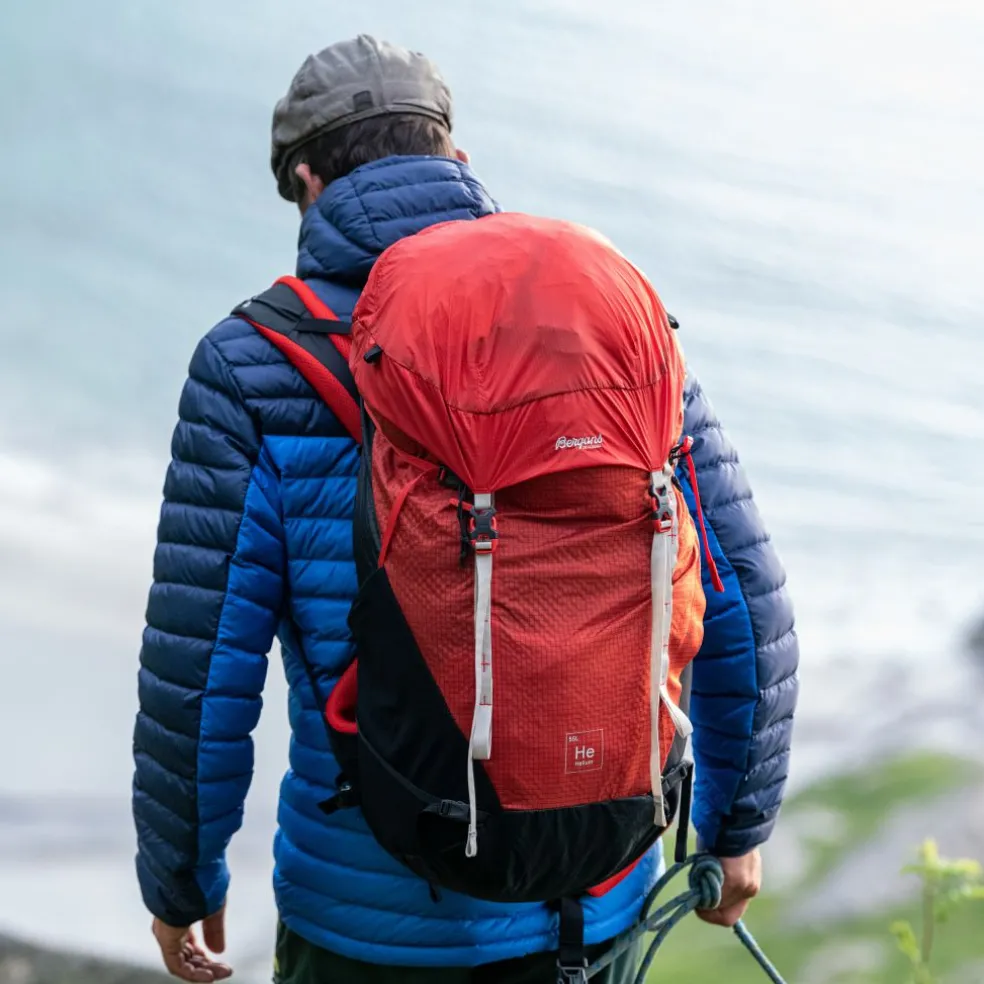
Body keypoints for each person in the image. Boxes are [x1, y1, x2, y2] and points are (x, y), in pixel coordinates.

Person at [132, 35, 799, 984]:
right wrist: (736, 825)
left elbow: (200, 668)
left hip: (374, 925)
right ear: (457, 159)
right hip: (596, 896)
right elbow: (746, 599)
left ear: (308, 184)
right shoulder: (605, 325)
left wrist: (182, 876)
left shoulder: (251, 367)